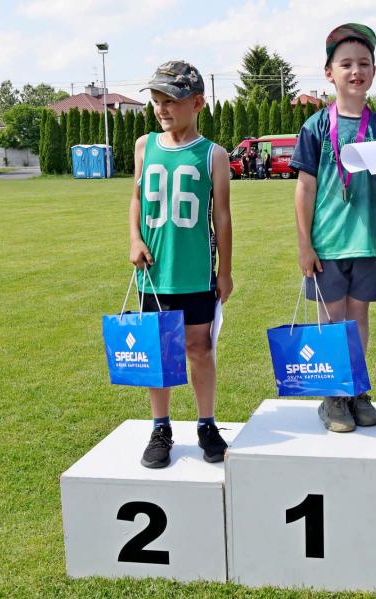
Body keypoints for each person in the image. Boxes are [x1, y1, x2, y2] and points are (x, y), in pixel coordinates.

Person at [291, 23, 376, 432]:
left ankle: (355, 389)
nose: (356, 71)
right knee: (332, 321)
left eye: (364, 63)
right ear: (329, 73)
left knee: (357, 321)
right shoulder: (316, 126)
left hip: (366, 241)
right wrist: (305, 244)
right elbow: (305, 189)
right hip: (327, 244)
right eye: (346, 64)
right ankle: (333, 396)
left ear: (374, 70)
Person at [129, 60, 233, 467]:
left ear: (197, 103)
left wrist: (225, 271)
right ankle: (161, 427)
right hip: (155, 274)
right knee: (159, 354)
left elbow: (221, 216)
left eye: (170, 101)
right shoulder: (145, 146)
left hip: (195, 272)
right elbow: (136, 198)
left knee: (199, 348)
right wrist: (135, 239)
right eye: (156, 101)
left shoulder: (213, 155)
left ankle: (206, 424)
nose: (162, 109)